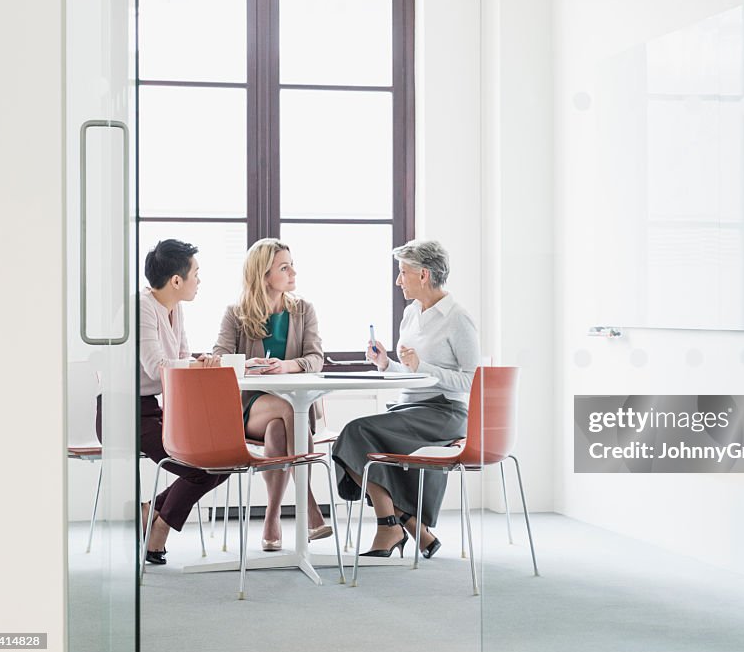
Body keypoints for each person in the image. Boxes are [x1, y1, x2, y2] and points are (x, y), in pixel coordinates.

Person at [332, 240, 479, 558]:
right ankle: (409, 525)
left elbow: (470, 381)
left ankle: (391, 525)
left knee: (355, 433)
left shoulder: (458, 319)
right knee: (353, 444)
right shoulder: (411, 314)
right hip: (410, 408)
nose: (398, 281)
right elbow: (413, 373)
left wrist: (421, 366)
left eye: (403, 273)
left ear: (423, 275)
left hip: (444, 411)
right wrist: (386, 363)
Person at [98, 238, 228, 565]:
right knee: (200, 468)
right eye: (195, 274)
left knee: (221, 459)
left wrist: (200, 361)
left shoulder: (174, 308)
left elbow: (181, 359)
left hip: (154, 409)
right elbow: (157, 366)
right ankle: (159, 531)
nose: (199, 280)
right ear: (175, 280)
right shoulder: (140, 307)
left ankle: (153, 510)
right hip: (122, 413)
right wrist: (192, 365)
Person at [213, 238, 330, 551]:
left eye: (291, 264)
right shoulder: (235, 314)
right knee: (289, 410)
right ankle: (308, 505)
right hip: (252, 408)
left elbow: (316, 358)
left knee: (281, 427)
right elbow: (219, 358)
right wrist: (247, 365)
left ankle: (272, 515)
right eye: (284, 267)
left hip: (292, 411)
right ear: (264, 276)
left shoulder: (303, 310)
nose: (293, 272)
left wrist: (287, 366)